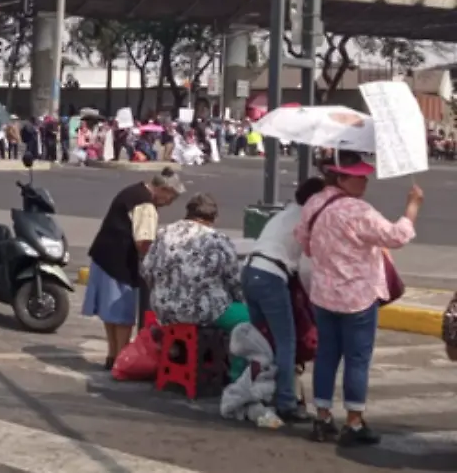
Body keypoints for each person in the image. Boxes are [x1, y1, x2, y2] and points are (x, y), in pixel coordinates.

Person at [294, 151, 422, 447]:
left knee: (326, 356)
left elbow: (304, 241)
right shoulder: (358, 211)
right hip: (358, 297)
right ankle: (354, 421)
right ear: (341, 177)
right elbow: (396, 236)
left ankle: (323, 418)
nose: (365, 180)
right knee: (357, 359)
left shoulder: (314, 204)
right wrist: (412, 207)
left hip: (324, 294)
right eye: (359, 176)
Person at [241, 176, 327, 425]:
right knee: (285, 342)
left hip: (250, 272)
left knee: (261, 342)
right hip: (271, 276)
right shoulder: (307, 220)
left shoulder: (285, 213)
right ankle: (287, 402)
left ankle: (259, 393)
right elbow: (307, 270)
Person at [83, 167, 185, 369]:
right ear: (162, 189)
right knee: (122, 315)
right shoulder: (145, 204)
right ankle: (121, 357)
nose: (169, 203)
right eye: (170, 197)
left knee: (109, 312)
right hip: (120, 262)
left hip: (104, 256)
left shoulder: (133, 191)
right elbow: (144, 242)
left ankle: (112, 355)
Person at [142, 193, 249, 380]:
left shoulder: (164, 233)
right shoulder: (217, 239)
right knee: (250, 321)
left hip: (164, 309)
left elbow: (146, 270)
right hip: (203, 311)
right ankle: (237, 376)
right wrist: (243, 301)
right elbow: (234, 281)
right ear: (213, 218)